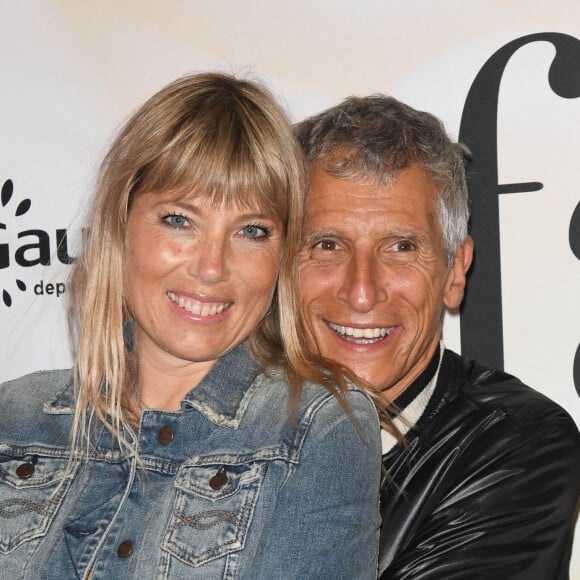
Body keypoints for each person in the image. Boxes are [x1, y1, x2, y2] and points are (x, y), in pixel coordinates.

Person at [0, 73, 383, 579]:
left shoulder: (314, 428)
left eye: (252, 231)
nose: (211, 266)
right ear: (120, 224)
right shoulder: (13, 419)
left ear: (281, 256)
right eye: (179, 219)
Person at [295, 94, 580, 579]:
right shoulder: (201, 419)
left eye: (401, 247)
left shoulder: (517, 445)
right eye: (327, 245)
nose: (362, 291)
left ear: (454, 272)